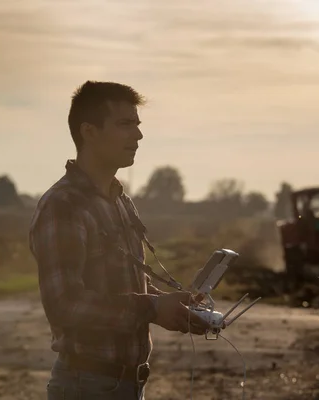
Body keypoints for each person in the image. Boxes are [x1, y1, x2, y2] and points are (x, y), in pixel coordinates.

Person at [29, 80, 212, 400]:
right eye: (125, 124)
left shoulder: (119, 201)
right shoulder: (64, 206)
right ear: (89, 131)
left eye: (138, 125)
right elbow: (65, 304)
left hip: (127, 386)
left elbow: (120, 285)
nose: (138, 135)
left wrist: (170, 306)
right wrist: (151, 307)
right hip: (87, 386)